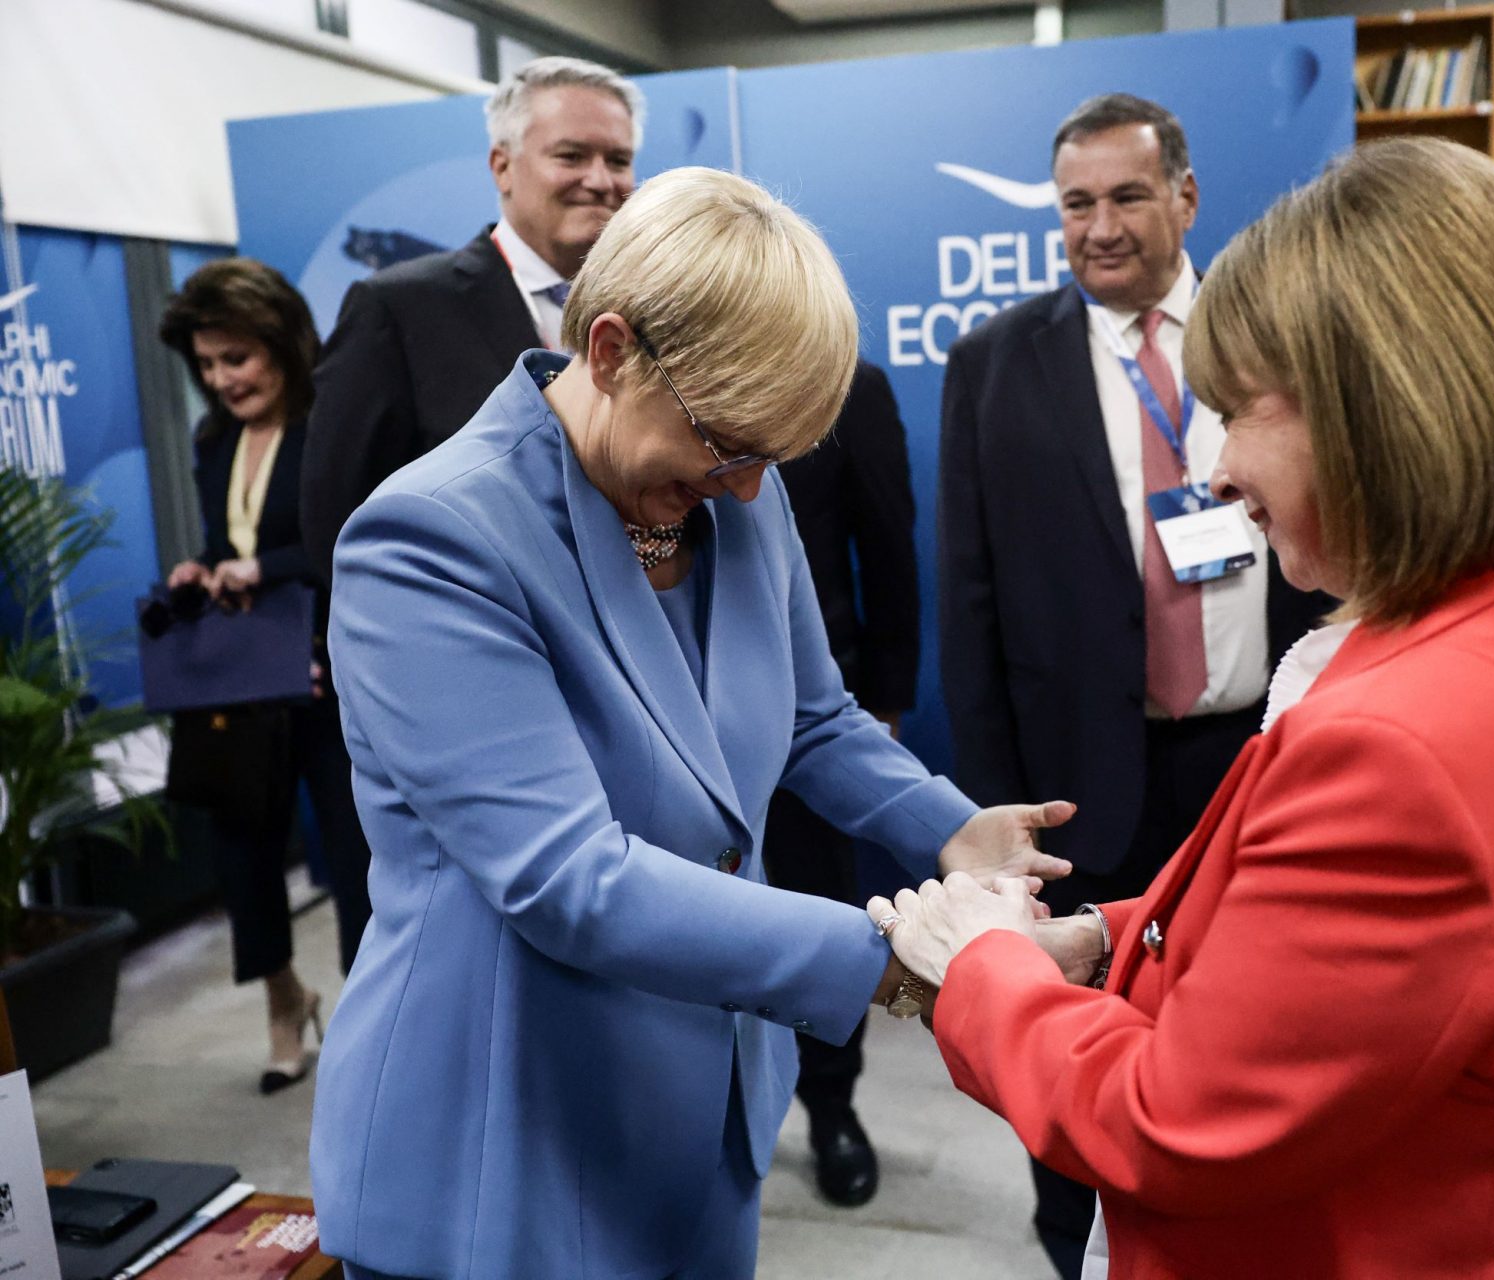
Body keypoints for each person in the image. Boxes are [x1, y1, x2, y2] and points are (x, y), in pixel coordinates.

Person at [881, 136, 1494, 1279]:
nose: (1216, 471)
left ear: (1378, 409)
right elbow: (1333, 947)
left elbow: (1172, 1122)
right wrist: (1098, 937)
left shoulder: (1400, 749)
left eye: (1239, 411)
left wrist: (984, 963)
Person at [307, 167, 1073, 1280]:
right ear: (611, 349)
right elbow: (569, 878)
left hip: (708, 1118)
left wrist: (953, 829)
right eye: (727, 444)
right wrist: (907, 961)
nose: (749, 489)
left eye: (771, 458)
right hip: (506, 1138)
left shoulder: (730, 494)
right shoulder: (434, 541)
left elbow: (812, 716)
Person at [936, 91, 1326, 1275]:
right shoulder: (993, 362)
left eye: (1128, 196)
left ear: (1186, 198)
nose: (1100, 227)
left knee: (1250, 1032)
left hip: (1258, 749)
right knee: (1072, 1020)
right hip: (1078, 781)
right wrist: (992, 809)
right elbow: (971, 598)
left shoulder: (1275, 342)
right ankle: (1074, 1244)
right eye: (1076, 203)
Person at [157, 258, 374, 1093]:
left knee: (357, 865)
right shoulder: (212, 441)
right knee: (244, 861)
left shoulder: (332, 428)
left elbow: (354, 540)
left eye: (237, 358)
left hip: (330, 683)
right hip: (243, 689)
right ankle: (285, 1003)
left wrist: (270, 569)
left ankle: (369, 1024)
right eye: (207, 365)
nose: (222, 379)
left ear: (281, 343)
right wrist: (202, 569)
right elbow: (227, 546)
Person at [299, 56, 641, 582]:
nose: (599, 181)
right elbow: (337, 522)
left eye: (618, 160)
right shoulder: (398, 309)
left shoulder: (652, 311)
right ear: (502, 166)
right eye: (571, 156)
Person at [763, 358, 919, 1207]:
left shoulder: (844, 382)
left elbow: (887, 544)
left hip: (811, 702)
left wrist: (885, 701)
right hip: (654, 706)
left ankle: (832, 1107)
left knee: (822, 900)